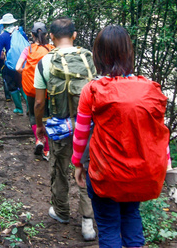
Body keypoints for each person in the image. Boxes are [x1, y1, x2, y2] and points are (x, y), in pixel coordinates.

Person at [72, 25, 170, 248]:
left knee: (108, 228)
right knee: (131, 217)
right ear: (129, 52)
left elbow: (81, 134)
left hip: (105, 174)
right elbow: (160, 134)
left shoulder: (93, 89)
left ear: (98, 55)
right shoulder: (150, 88)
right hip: (138, 173)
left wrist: (77, 164)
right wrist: (165, 167)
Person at [34, 17, 96, 241]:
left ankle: (61, 212)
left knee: (60, 169)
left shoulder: (45, 61)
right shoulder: (88, 58)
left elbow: (40, 103)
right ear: (75, 35)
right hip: (87, 127)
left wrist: (40, 126)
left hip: (60, 127)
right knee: (86, 169)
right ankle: (88, 222)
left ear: (51, 37)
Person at [15, 22, 54, 161]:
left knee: (33, 115)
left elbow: (18, 67)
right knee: (47, 116)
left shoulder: (28, 49)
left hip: (32, 88)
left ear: (32, 35)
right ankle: (48, 151)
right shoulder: (52, 49)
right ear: (47, 35)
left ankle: (39, 141)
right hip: (49, 89)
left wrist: (28, 75)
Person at [0, 13, 27, 114]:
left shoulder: (3, 36)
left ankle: (19, 108)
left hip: (10, 65)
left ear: (3, 24)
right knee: (22, 85)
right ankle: (29, 107)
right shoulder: (20, 32)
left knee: (12, 85)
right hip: (22, 64)